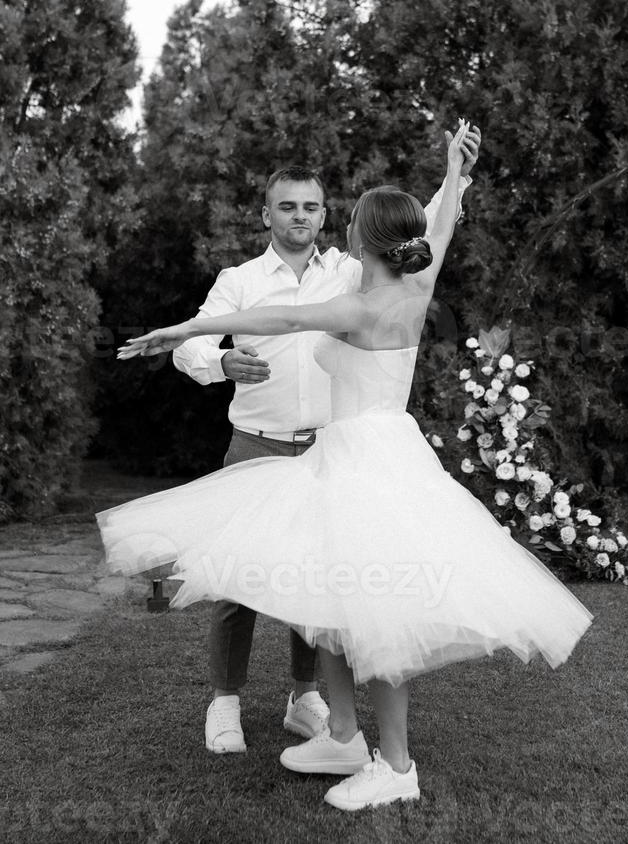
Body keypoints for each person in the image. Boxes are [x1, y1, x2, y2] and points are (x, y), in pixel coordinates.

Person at [98, 120, 593, 812]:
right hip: (363, 452)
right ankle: (342, 733)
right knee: (323, 593)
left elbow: (278, 321)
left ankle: (396, 766)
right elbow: (442, 223)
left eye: (347, 217)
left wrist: (187, 330)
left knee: (372, 613)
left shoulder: (357, 304)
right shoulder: (415, 286)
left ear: (362, 236)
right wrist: (454, 175)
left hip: (365, 463)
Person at [170, 149, 477, 755]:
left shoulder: (347, 271)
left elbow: (417, 232)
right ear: (267, 215)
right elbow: (194, 349)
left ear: (328, 215)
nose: (300, 216)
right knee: (239, 578)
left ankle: (307, 699)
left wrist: (452, 181)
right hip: (256, 443)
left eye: (311, 206)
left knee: (318, 582)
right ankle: (225, 702)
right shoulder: (239, 281)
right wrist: (219, 358)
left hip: (329, 451)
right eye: (288, 207)